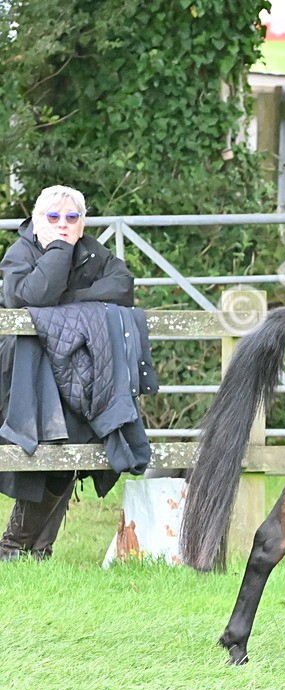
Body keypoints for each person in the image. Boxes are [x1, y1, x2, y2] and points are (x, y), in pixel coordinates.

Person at [0, 185, 136, 561]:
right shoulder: (21, 252)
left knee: (71, 453)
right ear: (37, 220)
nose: (63, 225)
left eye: (72, 218)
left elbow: (123, 286)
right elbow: (30, 297)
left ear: (83, 222)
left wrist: (70, 302)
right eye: (54, 217)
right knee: (44, 454)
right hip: (24, 378)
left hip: (77, 374)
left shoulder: (92, 250)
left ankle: (37, 550)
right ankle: (14, 546)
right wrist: (58, 251)